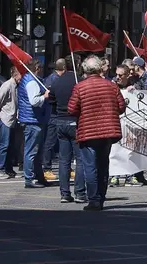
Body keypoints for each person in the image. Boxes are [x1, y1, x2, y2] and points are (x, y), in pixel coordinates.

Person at [67, 55, 127, 211]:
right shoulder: (112, 86)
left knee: (90, 166)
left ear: (85, 70)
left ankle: (94, 199)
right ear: (100, 68)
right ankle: (101, 197)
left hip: (88, 131)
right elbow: (121, 107)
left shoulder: (80, 87)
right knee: (103, 165)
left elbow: (71, 109)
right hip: (107, 132)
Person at [48, 58, 86, 203]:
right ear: (78, 65)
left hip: (60, 121)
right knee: (80, 159)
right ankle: (79, 193)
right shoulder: (79, 82)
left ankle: (64, 193)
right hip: (75, 121)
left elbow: (51, 99)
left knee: (64, 160)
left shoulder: (57, 81)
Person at [18, 60, 49, 189]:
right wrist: (45, 96)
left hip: (33, 119)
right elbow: (34, 101)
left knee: (37, 151)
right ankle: (29, 178)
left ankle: (38, 176)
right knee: (31, 151)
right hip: (32, 120)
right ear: (37, 68)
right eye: (40, 67)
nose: (42, 70)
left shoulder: (29, 79)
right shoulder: (32, 82)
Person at [0, 66, 21, 180]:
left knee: (11, 146)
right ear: (16, 75)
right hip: (5, 119)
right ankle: (1, 170)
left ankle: (9, 170)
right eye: (21, 75)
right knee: (4, 145)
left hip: (12, 119)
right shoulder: (7, 85)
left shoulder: (16, 86)